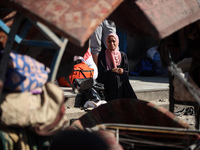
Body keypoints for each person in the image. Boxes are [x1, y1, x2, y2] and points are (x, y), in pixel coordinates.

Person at [97, 33, 137, 101]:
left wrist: (122, 71)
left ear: (117, 42)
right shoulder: (102, 55)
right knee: (115, 76)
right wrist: (112, 71)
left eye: (113, 41)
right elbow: (101, 73)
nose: (112, 43)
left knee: (119, 76)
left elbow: (126, 71)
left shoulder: (122, 55)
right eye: (109, 41)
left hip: (119, 79)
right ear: (106, 42)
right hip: (107, 80)